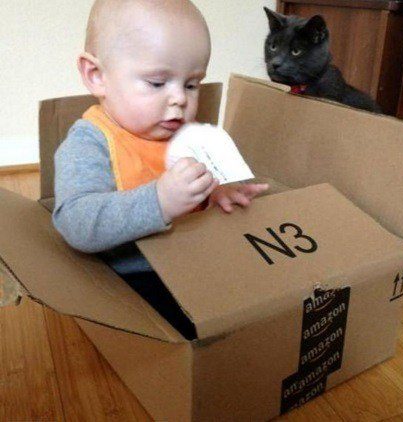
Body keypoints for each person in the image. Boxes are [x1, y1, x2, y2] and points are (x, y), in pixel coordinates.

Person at [53, 0, 268, 337]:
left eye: (192, 84)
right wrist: (160, 201)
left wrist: (217, 192)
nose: (180, 99)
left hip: (200, 256)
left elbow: (201, 186)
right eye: (156, 83)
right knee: (191, 331)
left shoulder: (186, 134)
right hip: (138, 273)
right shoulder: (90, 142)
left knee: (264, 292)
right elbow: (76, 222)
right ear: (97, 76)